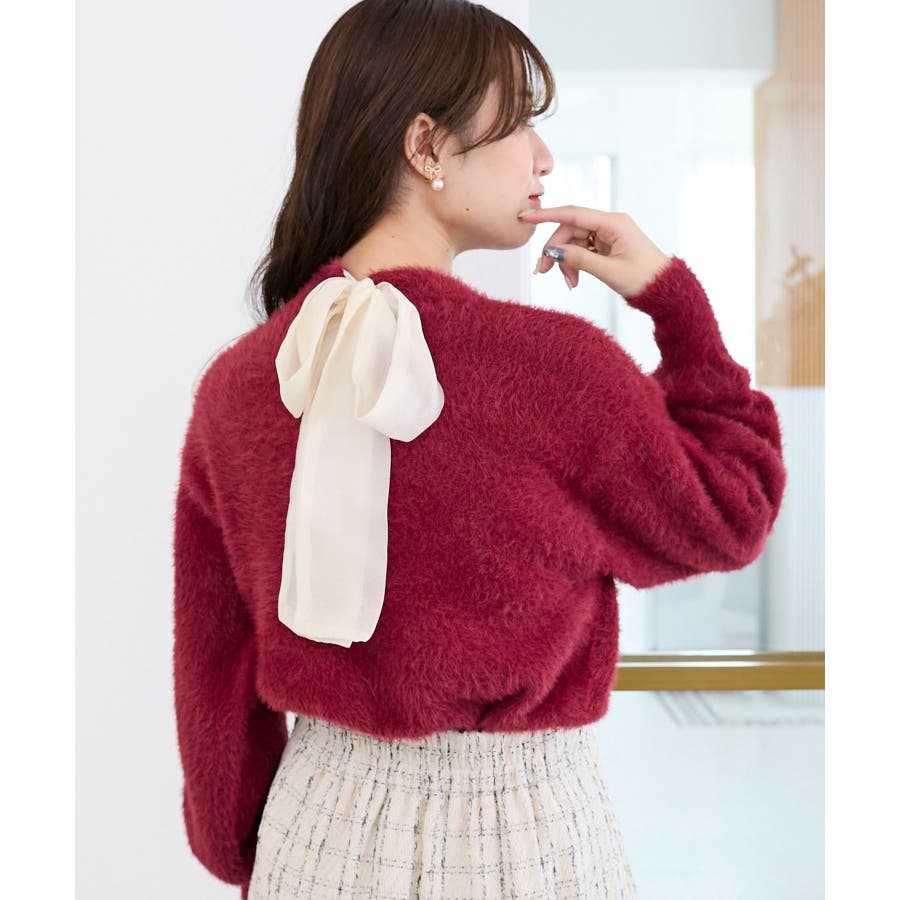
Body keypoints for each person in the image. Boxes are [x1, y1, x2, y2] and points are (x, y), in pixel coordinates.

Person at [171, 1, 787, 898]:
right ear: (426, 144)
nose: (543, 157)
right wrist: (672, 301)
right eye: (520, 120)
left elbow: (214, 673)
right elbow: (733, 512)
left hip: (314, 832)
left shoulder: (242, 385)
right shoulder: (556, 369)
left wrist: (248, 852)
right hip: (522, 839)